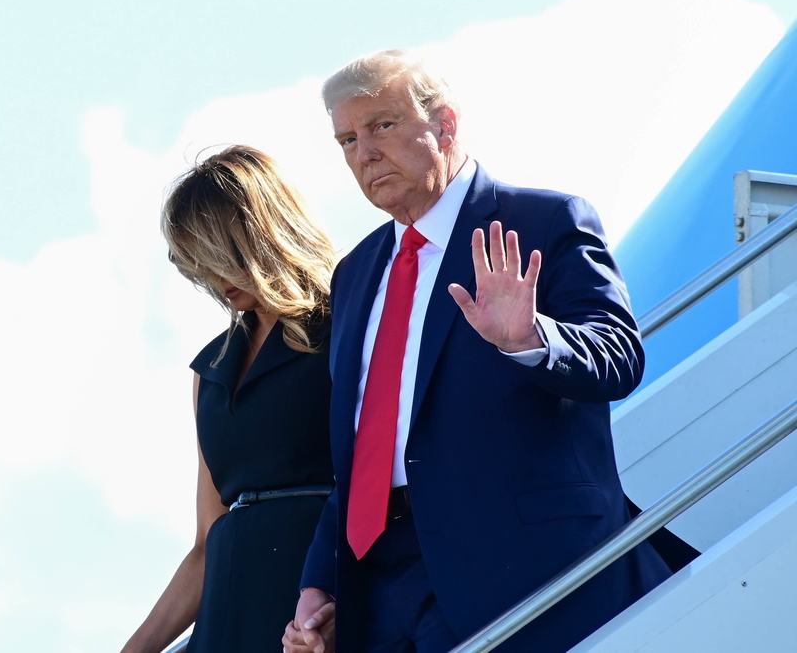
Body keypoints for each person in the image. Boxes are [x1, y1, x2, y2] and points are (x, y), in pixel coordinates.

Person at [283, 50, 672, 653]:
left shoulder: (543, 220)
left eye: (382, 125)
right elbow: (364, 448)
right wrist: (321, 582)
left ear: (445, 124)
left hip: (517, 565)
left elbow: (619, 355)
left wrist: (533, 339)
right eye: (347, 139)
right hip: (380, 586)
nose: (365, 152)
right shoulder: (356, 272)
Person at [120, 145, 336, 653]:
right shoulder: (210, 368)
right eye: (198, 263)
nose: (214, 278)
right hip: (226, 617)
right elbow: (205, 543)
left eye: (220, 256)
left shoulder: (348, 318)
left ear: (263, 231)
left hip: (318, 605)